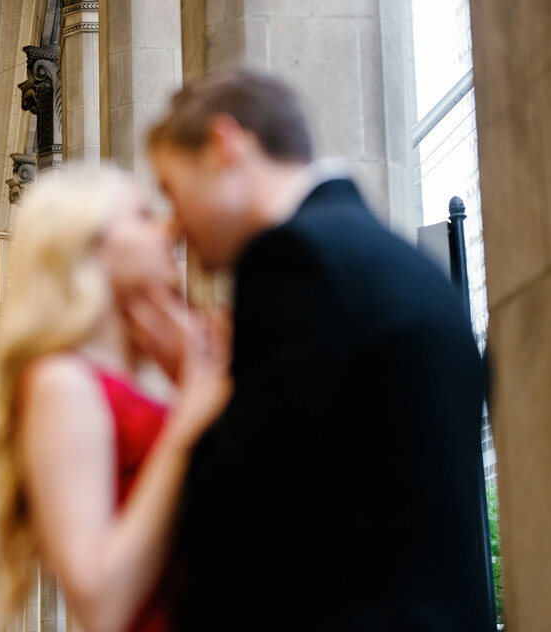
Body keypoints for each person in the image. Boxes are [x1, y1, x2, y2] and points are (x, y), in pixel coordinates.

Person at [136, 70, 493, 631]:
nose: (173, 227)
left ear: (224, 147)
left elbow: (240, 521)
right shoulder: (407, 265)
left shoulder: (292, 263)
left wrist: (198, 395)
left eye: (172, 193)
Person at [0, 165, 232, 632]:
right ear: (91, 248)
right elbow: (99, 603)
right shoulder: (61, 382)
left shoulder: (136, 378)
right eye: (141, 215)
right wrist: (187, 424)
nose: (168, 229)